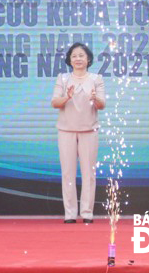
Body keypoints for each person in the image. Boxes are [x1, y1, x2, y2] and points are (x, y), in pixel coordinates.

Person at [51, 42, 105, 224]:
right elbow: (55, 102)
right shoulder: (63, 78)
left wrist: (95, 98)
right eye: (74, 56)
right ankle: (70, 213)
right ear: (69, 59)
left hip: (89, 130)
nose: (78, 59)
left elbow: (102, 105)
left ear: (88, 59)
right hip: (66, 130)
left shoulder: (96, 78)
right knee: (68, 173)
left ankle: (87, 212)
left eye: (81, 56)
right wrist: (67, 96)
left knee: (89, 173)